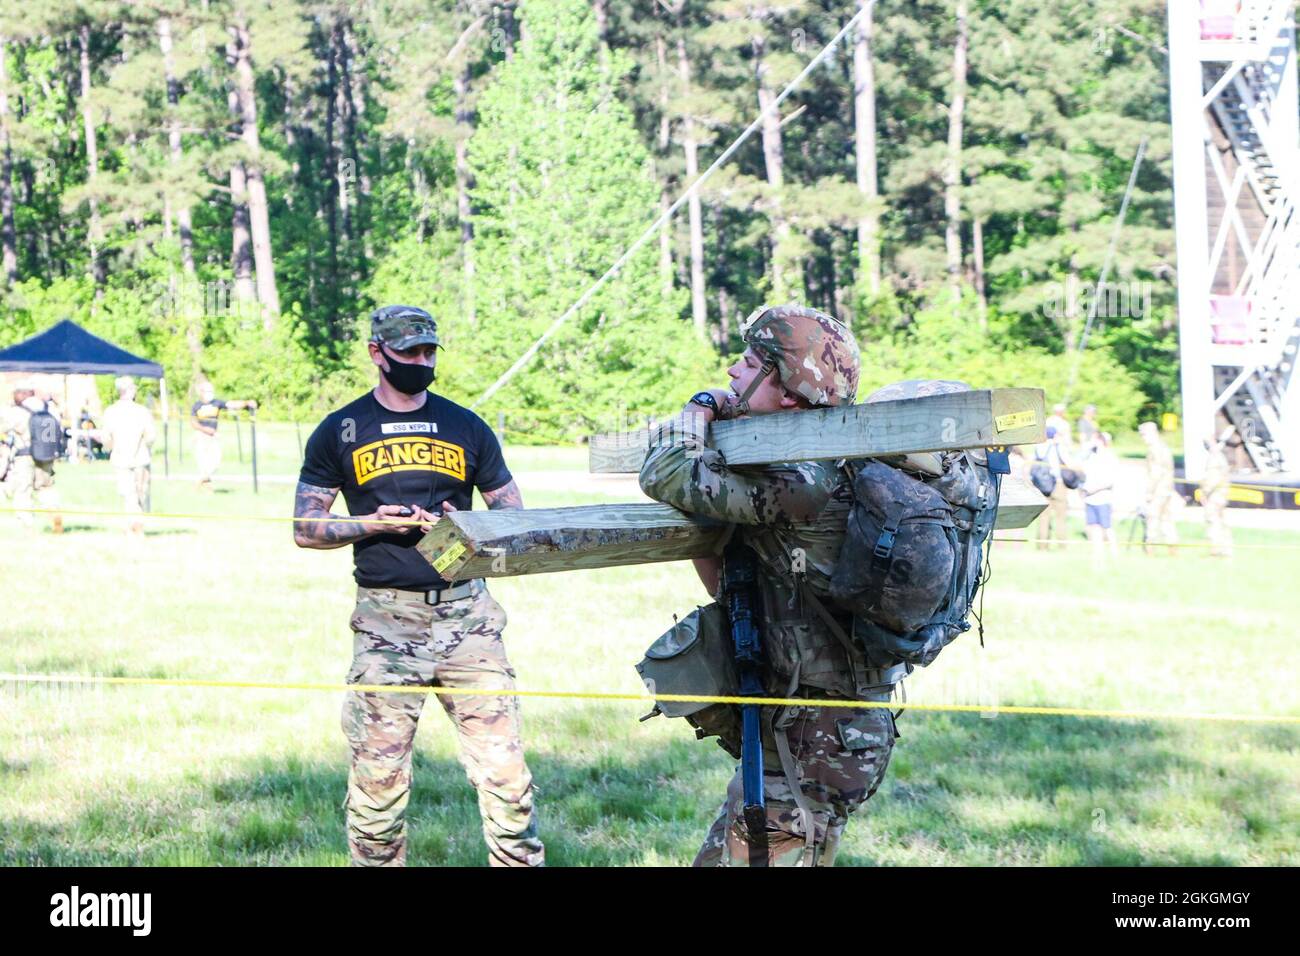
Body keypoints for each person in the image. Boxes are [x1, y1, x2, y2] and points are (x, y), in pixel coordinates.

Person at [639, 304, 906, 867]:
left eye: (748, 363)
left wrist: (700, 407)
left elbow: (664, 469)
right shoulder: (819, 453)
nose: (733, 372)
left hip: (819, 731)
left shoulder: (802, 477)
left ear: (787, 392)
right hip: (825, 727)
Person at [293, 305, 543, 868]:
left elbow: (514, 519)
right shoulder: (341, 430)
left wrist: (465, 528)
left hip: (469, 620)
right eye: (410, 354)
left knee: (507, 777)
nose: (422, 363)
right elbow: (304, 528)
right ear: (377, 353)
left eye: (430, 352)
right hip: (386, 622)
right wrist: (371, 525)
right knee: (377, 782)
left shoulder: (467, 426)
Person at [99, 376, 157, 534]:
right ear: (131, 391)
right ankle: (137, 523)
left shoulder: (111, 412)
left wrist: (113, 448)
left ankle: (133, 523)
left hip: (120, 459)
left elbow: (105, 438)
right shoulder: (142, 411)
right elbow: (151, 436)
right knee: (141, 492)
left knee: (128, 493)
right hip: (141, 458)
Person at [1, 384, 63, 532]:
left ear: (22, 394)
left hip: (24, 456)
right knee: (46, 486)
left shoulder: (17, 411)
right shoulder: (49, 408)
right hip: (46, 454)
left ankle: (26, 524)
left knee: (23, 489)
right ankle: (54, 512)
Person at [190, 381, 257, 490]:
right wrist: (205, 430)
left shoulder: (216, 403)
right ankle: (206, 487)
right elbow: (193, 422)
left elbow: (232, 404)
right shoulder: (197, 406)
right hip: (201, 437)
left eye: (211, 390)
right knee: (203, 464)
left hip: (213, 437)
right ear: (201, 392)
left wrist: (246, 403)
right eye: (207, 390)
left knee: (216, 462)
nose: (210, 393)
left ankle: (202, 481)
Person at [1139, 420, 1178, 553]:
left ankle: (1150, 550)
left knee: (1152, 520)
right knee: (1167, 521)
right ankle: (1172, 549)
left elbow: (1155, 473)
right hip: (1167, 489)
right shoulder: (1164, 447)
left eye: (1143, 435)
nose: (1142, 438)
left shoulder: (1154, 449)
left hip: (1158, 491)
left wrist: (1149, 492)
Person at [1031, 426, 1071, 549]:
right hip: (1058, 484)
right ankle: (1062, 545)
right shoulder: (1057, 447)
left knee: (1043, 517)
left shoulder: (1038, 447)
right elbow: (1068, 463)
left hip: (1042, 485)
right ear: (1054, 435)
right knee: (1060, 517)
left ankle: (1042, 546)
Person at [1080, 431, 1118, 560]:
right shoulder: (1091, 457)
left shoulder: (1109, 458)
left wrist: (1094, 489)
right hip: (1090, 499)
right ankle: (1098, 553)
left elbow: (1110, 481)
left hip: (1103, 499)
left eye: (1095, 440)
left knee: (1107, 527)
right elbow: (1079, 463)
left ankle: (1114, 553)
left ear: (1102, 442)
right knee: (1094, 527)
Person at [1200, 426, 1234, 558]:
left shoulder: (1214, 458)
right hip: (1221, 494)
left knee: (1213, 521)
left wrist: (1205, 493)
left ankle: (1216, 550)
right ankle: (1226, 549)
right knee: (1222, 521)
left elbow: (1212, 479)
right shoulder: (1219, 456)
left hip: (1215, 496)